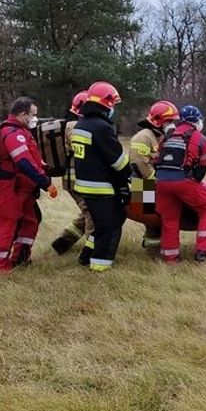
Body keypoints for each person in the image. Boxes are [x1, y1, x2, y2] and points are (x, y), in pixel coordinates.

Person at [0, 96, 57, 273]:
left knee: (31, 220)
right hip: (10, 188)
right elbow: (23, 161)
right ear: (23, 114)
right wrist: (44, 182)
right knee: (8, 224)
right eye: (33, 115)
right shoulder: (13, 133)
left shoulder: (21, 131)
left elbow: (31, 158)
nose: (35, 119)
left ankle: (21, 257)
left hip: (22, 189)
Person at [71, 81, 130, 272]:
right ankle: (99, 267)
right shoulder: (101, 127)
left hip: (86, 185)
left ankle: (86, 256)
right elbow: (118, 162)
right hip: (102, 186)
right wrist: (128, 179)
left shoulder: (82, 123)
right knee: (110, 226)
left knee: (107, 222)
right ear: (108, 103)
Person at [154, 105, 206, 263]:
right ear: (197, 121)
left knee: (169, 220)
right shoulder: (200, 139)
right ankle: (203, 252)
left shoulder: (168, 135)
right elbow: (201, 172)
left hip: (161, 182)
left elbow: (157, 159)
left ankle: (170, 257)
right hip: (183, 181)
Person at [51, 89, 95, 261]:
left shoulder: (72, 125)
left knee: (87, 212)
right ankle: (90, 253)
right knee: (92, 214)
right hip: (77, 179)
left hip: (75, 178)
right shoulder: (74, 127)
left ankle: (64, 241)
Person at [130, 99, 179, 251]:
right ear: (159, 121)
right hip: (142, 184)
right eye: (169, 121)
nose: (172, 124)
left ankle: (156, 249)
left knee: (160, 220)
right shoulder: (143, 137)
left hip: (157, 183)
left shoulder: (162, 136)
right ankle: (152, 253)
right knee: (152, 222)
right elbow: (139, 163)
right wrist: (155, 181)